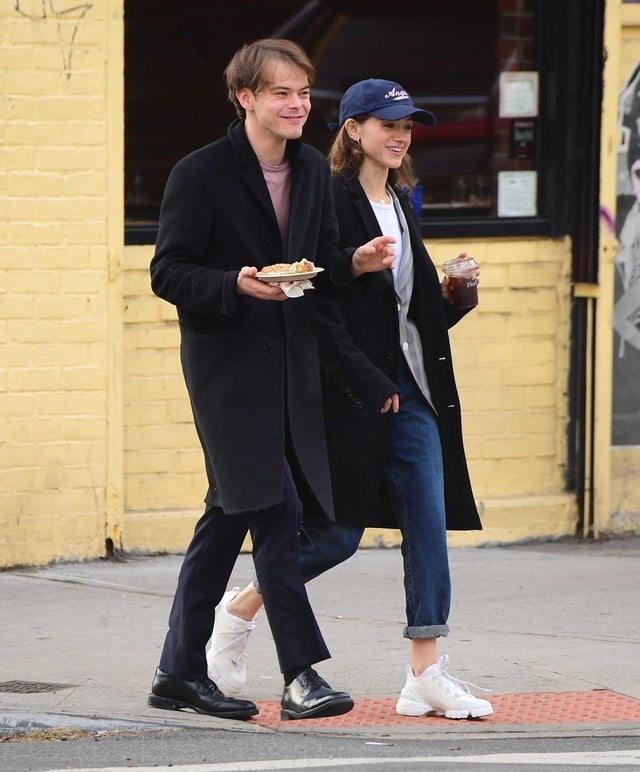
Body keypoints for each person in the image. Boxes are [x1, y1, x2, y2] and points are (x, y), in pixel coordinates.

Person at [208, 78, 494, 720]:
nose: (400, 135)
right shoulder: (329, 197)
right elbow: (320, 301)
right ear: (353, 129)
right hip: (350, 394)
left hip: (415, 392)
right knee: (336, 536)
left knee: (428, 525)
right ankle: (239, 610)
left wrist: (454, 301)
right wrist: (365, 380)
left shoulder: (399, 200)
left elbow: (407, 317)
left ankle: (425, 671)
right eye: (386, 124)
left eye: (408, 126)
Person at [148, 43, 400, 722]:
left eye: (305, 92)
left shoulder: (313, 169)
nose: (297, 105)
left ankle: (177, 672)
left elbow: (313, 269)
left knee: (227, 520)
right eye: (281, 92)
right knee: (278, 512)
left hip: (291, 369)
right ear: (246, 98)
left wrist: (356, 262)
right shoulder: (200, 173)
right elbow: (167, 272)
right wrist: (235, 282)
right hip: (226, 372)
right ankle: (301, 674)